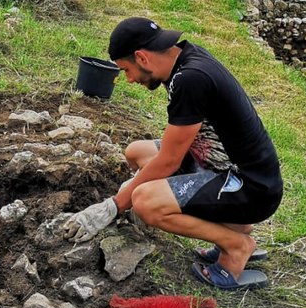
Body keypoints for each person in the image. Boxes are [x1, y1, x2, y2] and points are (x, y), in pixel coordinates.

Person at [61, 17, 283, 291]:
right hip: (220, 162)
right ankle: (234, 226)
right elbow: (174, 148)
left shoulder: (191, 79)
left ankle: (236, 245)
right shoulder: (184, 58)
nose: (128, 80)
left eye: (126, 70)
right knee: (136, 152)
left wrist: (114, 205)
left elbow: (169, 161)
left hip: (251, 187)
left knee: (144, 202)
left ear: (141, 57)